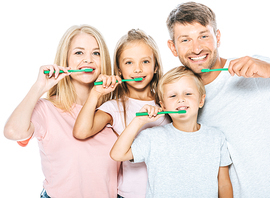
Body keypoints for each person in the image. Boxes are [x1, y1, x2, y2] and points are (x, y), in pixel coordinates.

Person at [166, 2, 270, 197]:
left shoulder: (256, 69)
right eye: (185, 40)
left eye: (203, 36)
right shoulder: (178, 99)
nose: (197, 48)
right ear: (173, 47)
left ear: (217, 37)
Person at [4, 25, 120, 198]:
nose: (88, 60)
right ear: (65, 60)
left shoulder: (112, 110)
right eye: (79, 53)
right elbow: (13, 132)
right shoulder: (47, 109)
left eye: (96, 53)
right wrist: (39, 86)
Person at [73, 29, 170, 198]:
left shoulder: (169, 101)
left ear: (156, 66)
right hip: (130, 194)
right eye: (129, 63)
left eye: (145, 61)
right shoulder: (114, 107)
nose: (138, 69)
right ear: (119, 70)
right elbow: (81, 132)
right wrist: (95, 93)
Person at [110, 66, 233, 197]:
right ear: (163, 106)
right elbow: (117, 154)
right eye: (173, 95)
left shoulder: (216, 138)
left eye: (188, 93)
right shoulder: (153, 137)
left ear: (201, 100)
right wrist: (138, 121)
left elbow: (223, 183)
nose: (181, 99)